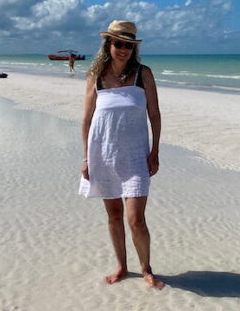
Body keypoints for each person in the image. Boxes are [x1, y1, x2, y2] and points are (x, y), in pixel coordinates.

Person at [80, 20, 164, 290]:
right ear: (108, 44)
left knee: (135, 219)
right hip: (103, 155)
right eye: (119, 43)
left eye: (129, 45)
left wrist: (155, 151)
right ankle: (122, 267)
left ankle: (146, 269)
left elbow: (154, 114)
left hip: (136, 158)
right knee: (114, 215)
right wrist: (86, 157)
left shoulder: (143, 74)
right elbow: (86, 118)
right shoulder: (96, 76)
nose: (123, 49)